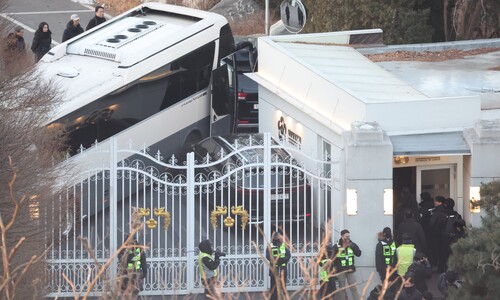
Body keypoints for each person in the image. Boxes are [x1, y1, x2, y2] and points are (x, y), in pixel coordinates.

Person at [332, 229, 361, 300]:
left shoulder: (352, 244)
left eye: (349, 236)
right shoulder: (336, 246)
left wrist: (353, 247)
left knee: (354, 288)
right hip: (340, 270)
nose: (348, 238)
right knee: (342, 289)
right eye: (346, 236)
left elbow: (359, 254)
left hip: (350, 270)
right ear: (342, 236)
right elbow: (332, 258)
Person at [266, 231, 291, 300]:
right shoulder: (270, 246)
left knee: (283, 287)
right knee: (273, 287)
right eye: (276, 237)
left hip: (283, 269)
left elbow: (288, 256)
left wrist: (280, 260)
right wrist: (277, 260)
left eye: (278, 237)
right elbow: (268, 256)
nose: (277, 238)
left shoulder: (284, 245)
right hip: (274, 269)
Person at [429, 195, 448, 272]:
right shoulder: (445, 210)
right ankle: (443, 268)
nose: (434, 202)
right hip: (444, 235)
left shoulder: (437, 212)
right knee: (444, 252)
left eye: (436, 201)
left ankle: (439, 268)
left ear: (440, 202)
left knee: (438, 252)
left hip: (437, 234)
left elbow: (431, 223)